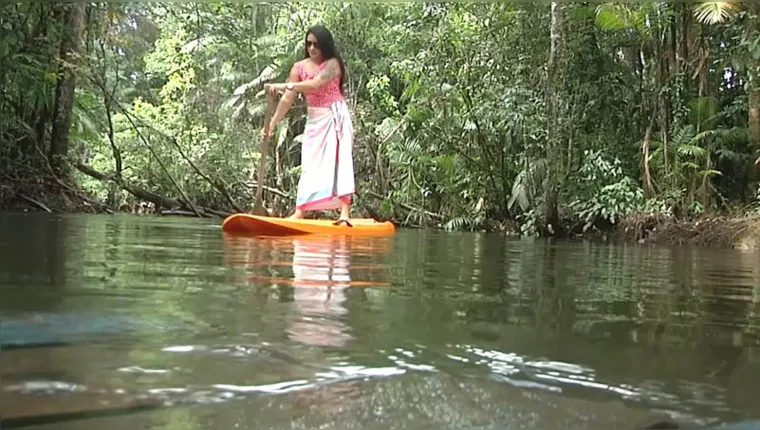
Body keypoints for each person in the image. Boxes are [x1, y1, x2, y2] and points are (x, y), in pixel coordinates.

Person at [262, 25, 355, 225]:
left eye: (317, 45)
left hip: (334, 115)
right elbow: (288, 99)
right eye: (309, 44)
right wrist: (272, 124)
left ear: (325, 46)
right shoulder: (298, 67)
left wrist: (282, 84)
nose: (312, 48)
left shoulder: (333, 64)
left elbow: (315, 84)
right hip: (314, 118)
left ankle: (344, 212)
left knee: (340, 161)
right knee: (309, 163)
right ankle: (300, 211)